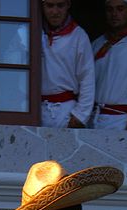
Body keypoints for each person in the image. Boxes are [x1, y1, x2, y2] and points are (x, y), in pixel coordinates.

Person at [92, 0, 127, 130]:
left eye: (120, 9)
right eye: (110, 9)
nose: (114, 14)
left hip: (122, 120)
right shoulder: (97, 44)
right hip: (94, 118)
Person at [40, 0, 95, 128]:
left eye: (60, 5)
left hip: (66, 112)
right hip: (36, 110)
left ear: (68, 5)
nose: (55, 11)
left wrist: (80, 115)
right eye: (49, 6)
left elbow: (87, 77)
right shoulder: (30, 32)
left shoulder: (79, 36)